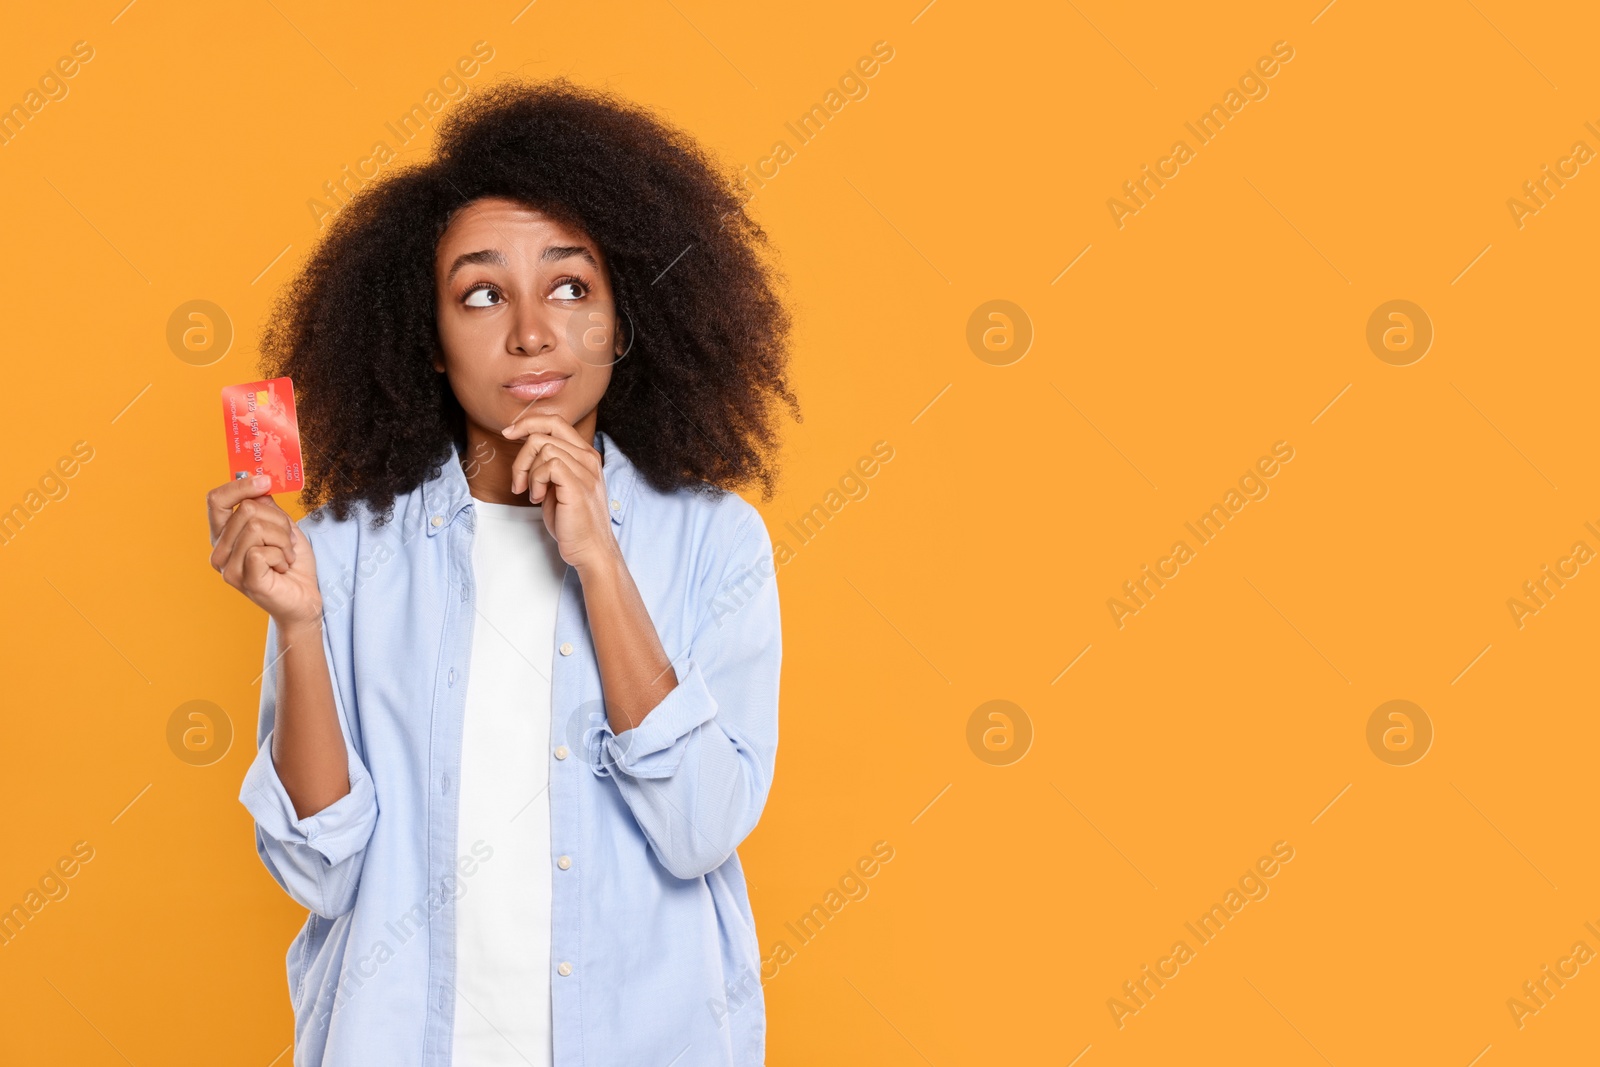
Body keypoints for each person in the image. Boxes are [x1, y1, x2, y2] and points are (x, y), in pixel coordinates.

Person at [204, 77, 797, 1067]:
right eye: (481, 294)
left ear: (626, 316)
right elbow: (321, 869)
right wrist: (301, 625)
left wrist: (600, 558)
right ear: (426, 342)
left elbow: (699, 829)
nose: (531, 330)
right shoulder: (344, 550)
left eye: (570, 286)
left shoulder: (712, 541)